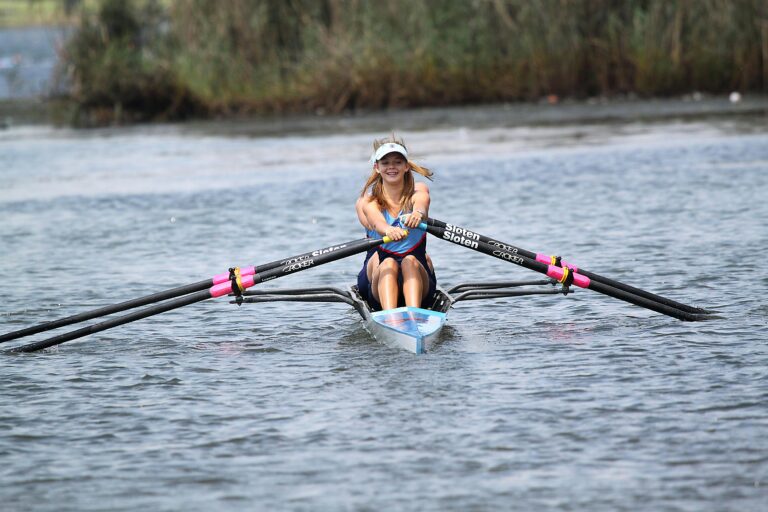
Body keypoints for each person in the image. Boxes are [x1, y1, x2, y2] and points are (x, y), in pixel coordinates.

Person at [356, 135, 436, 311]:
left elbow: (422, 203)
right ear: (376, 167)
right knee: (388, 263)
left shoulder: (418, 192)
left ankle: (414, 316)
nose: (391, 167)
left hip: (419, 283)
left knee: (410, 261)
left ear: (406, 166)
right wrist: (388, 230)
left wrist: (417, 214)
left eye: (398, 162)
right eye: (385, 163)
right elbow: (377, 223)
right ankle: (390, 317)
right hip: (381, 280)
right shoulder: (369, 202)